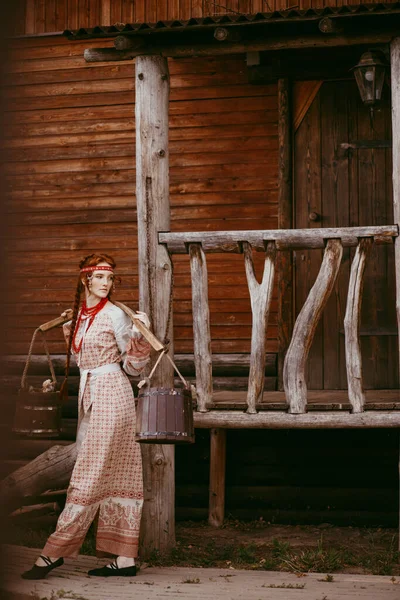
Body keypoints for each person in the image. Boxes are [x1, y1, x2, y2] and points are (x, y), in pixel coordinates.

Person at [22, 253, 151, 579]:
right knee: (113, 473)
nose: (106, 284)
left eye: (110, 278)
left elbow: (134, 369)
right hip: (90, 398)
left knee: (88, 475)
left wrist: (139, 339)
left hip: (113, 395)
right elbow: (80, 359)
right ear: (85, 281)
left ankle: (52, 553)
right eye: (100, 278)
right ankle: (124, 560)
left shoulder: (116, 317)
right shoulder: (77, 318)